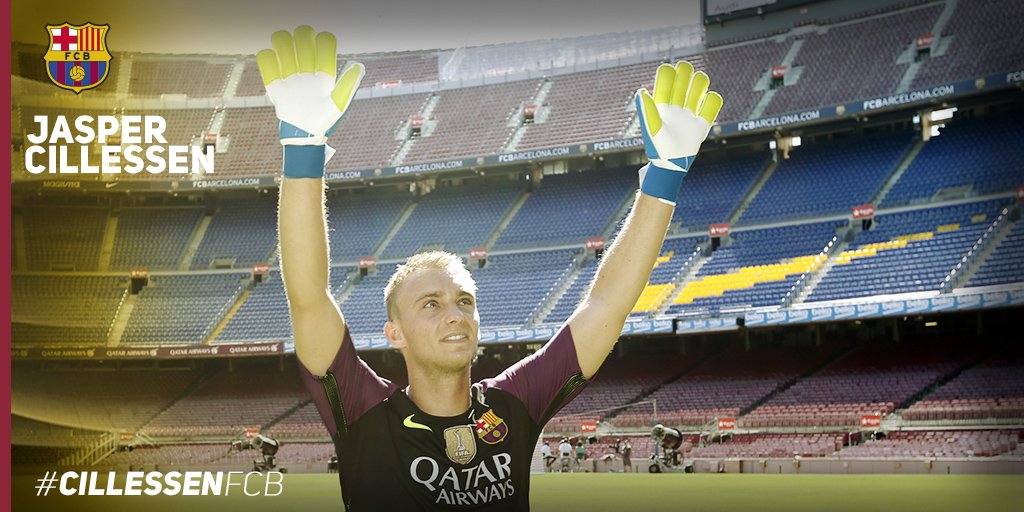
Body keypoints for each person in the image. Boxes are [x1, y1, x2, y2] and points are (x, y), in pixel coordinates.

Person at [260, 25, 722, 511]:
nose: (455, 314)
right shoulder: (364, 410)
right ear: (395, 334)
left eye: (464, 301)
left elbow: (606, 305)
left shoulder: (512, 405)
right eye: (431, 304)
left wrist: (664, 177)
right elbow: (308, 298)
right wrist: (304, 149)